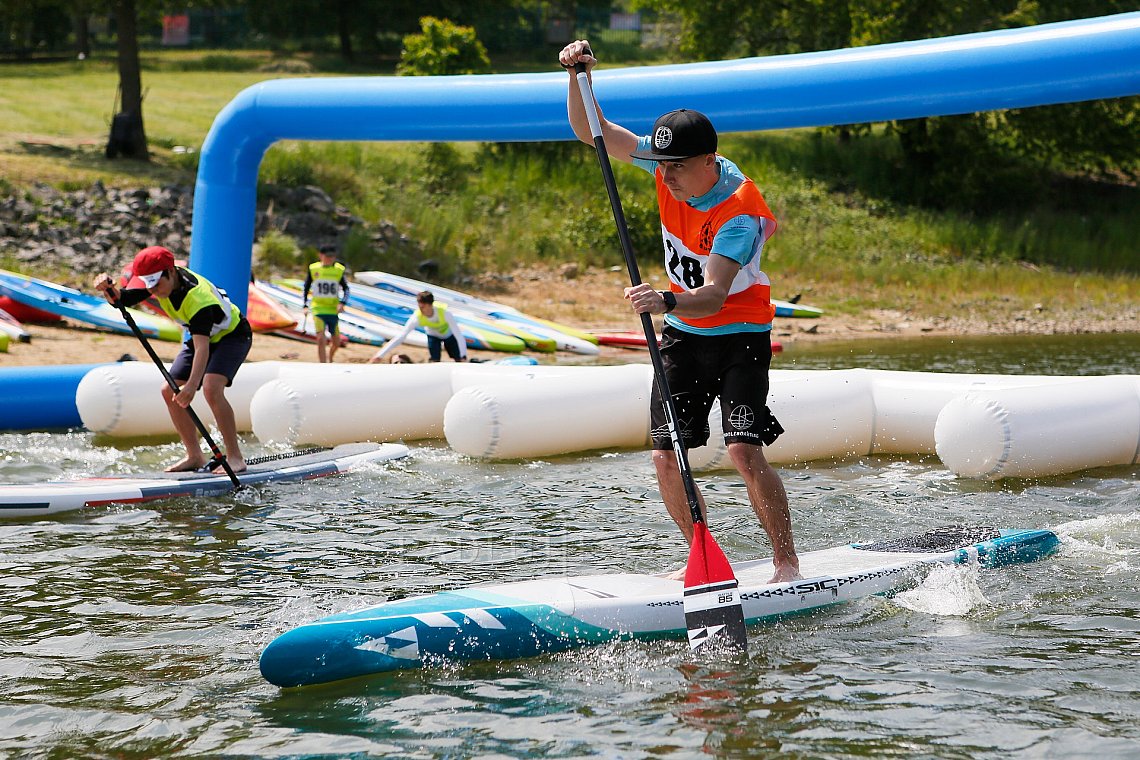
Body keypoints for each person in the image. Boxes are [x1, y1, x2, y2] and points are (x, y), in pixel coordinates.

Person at [560, 40, 801, 583]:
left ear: (710, 161)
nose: (665, 176)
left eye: (677, 168)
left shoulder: (739, 211)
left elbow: (715, 293)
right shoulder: (669, 161)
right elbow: (592, 132)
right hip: (682, 338)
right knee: (665, 457)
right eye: (661, 164)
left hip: (739, 334)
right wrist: (577, 78)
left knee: (742, 450)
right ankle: (704, 556)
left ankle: (785, 562)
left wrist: (663, 299)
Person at [93, 246, 253, 474]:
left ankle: (235, 457)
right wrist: (109, 289)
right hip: (203, 338)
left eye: (157, 284)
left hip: (233, 337)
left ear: (171, 271)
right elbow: (123, 299)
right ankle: (195, 456)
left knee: (211, 388)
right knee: (169, 391)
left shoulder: (198, 300)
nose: (154, 291)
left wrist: (190, 385)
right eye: (149, 285)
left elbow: (202, 347)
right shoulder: (159, 280)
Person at [369, 290, 467, 364]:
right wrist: (379, 355)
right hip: (433, 336)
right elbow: (401, 336)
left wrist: (463, 355)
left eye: (423, 307)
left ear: (430, 305)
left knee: (459, 359)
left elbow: (458, 335)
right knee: (434, 360)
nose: (421, 310)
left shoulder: (445, 313)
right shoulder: (417, 316)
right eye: (419, 307)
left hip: (448, 335)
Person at [302, 244, 349, 363]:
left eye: (332, 256)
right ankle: (322, 364)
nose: (330, 259)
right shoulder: (314, 269)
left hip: (333, 310)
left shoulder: (339, 270)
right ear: (321, 256)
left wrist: (342, 303)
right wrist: (305, 305)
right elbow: (306, 287)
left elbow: (346, 289)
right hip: (318, 308)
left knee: (337, 342)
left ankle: (331, 357)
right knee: (320, 339)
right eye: (328, 256)